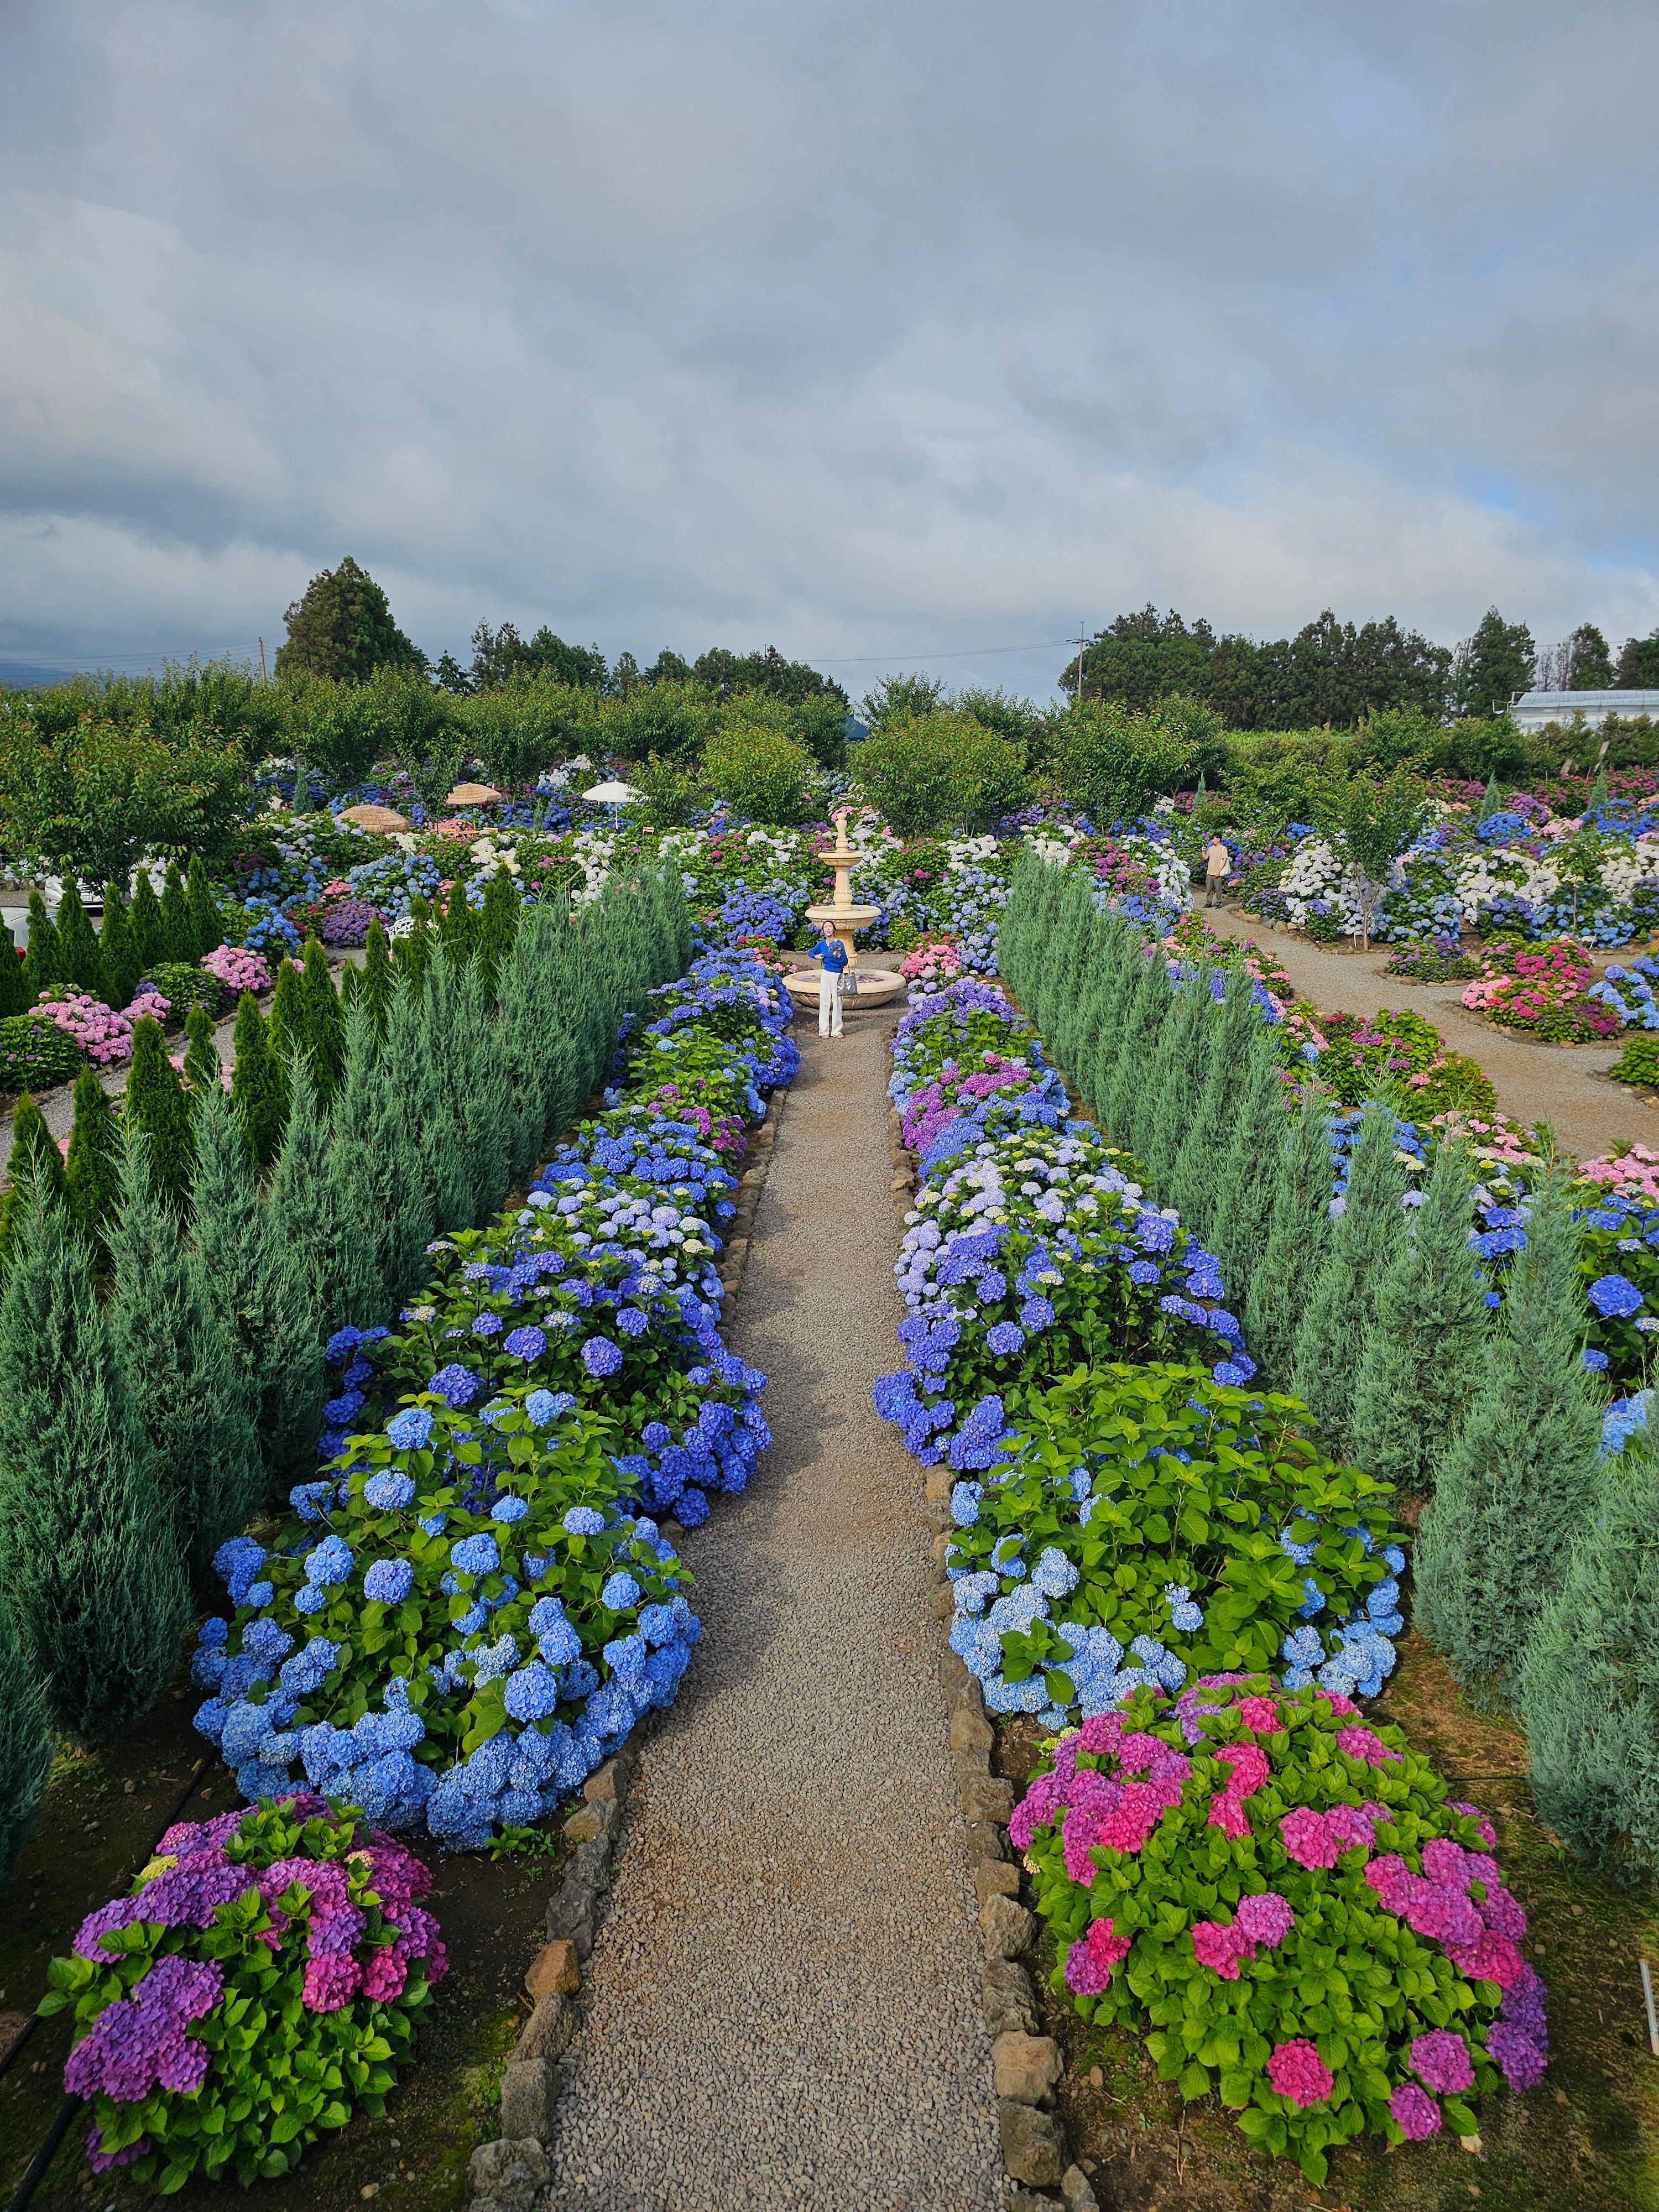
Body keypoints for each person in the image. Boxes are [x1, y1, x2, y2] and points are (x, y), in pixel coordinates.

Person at [809, 931, 849, 1036]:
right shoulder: (822, 944)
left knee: (838, 1002)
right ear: (823, 931)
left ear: (833, 929)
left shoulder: (839, 944)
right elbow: (811, 952)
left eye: (830, 927)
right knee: (824, 1002)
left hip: (838, 975)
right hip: (826, 974)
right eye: (826, 927)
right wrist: (816, 956)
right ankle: (824, 1031)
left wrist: (839, 955)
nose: (828, 929)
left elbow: (845, 962)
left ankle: (836, 1031)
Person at [1203, 833, 1232, 908]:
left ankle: (1218, 902)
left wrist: (1219, 871)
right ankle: (1209, 902)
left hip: (1217, 872)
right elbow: (1206, 857)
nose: (1213, 841)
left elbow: (1224, 860)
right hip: (1209, 872)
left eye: (1214, 839)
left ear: (1219, 839)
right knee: (1209, 888)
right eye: (1212, 839)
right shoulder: (1210, 849)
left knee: (1218, 888)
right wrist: (1203, 852)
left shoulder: (1223, 849)